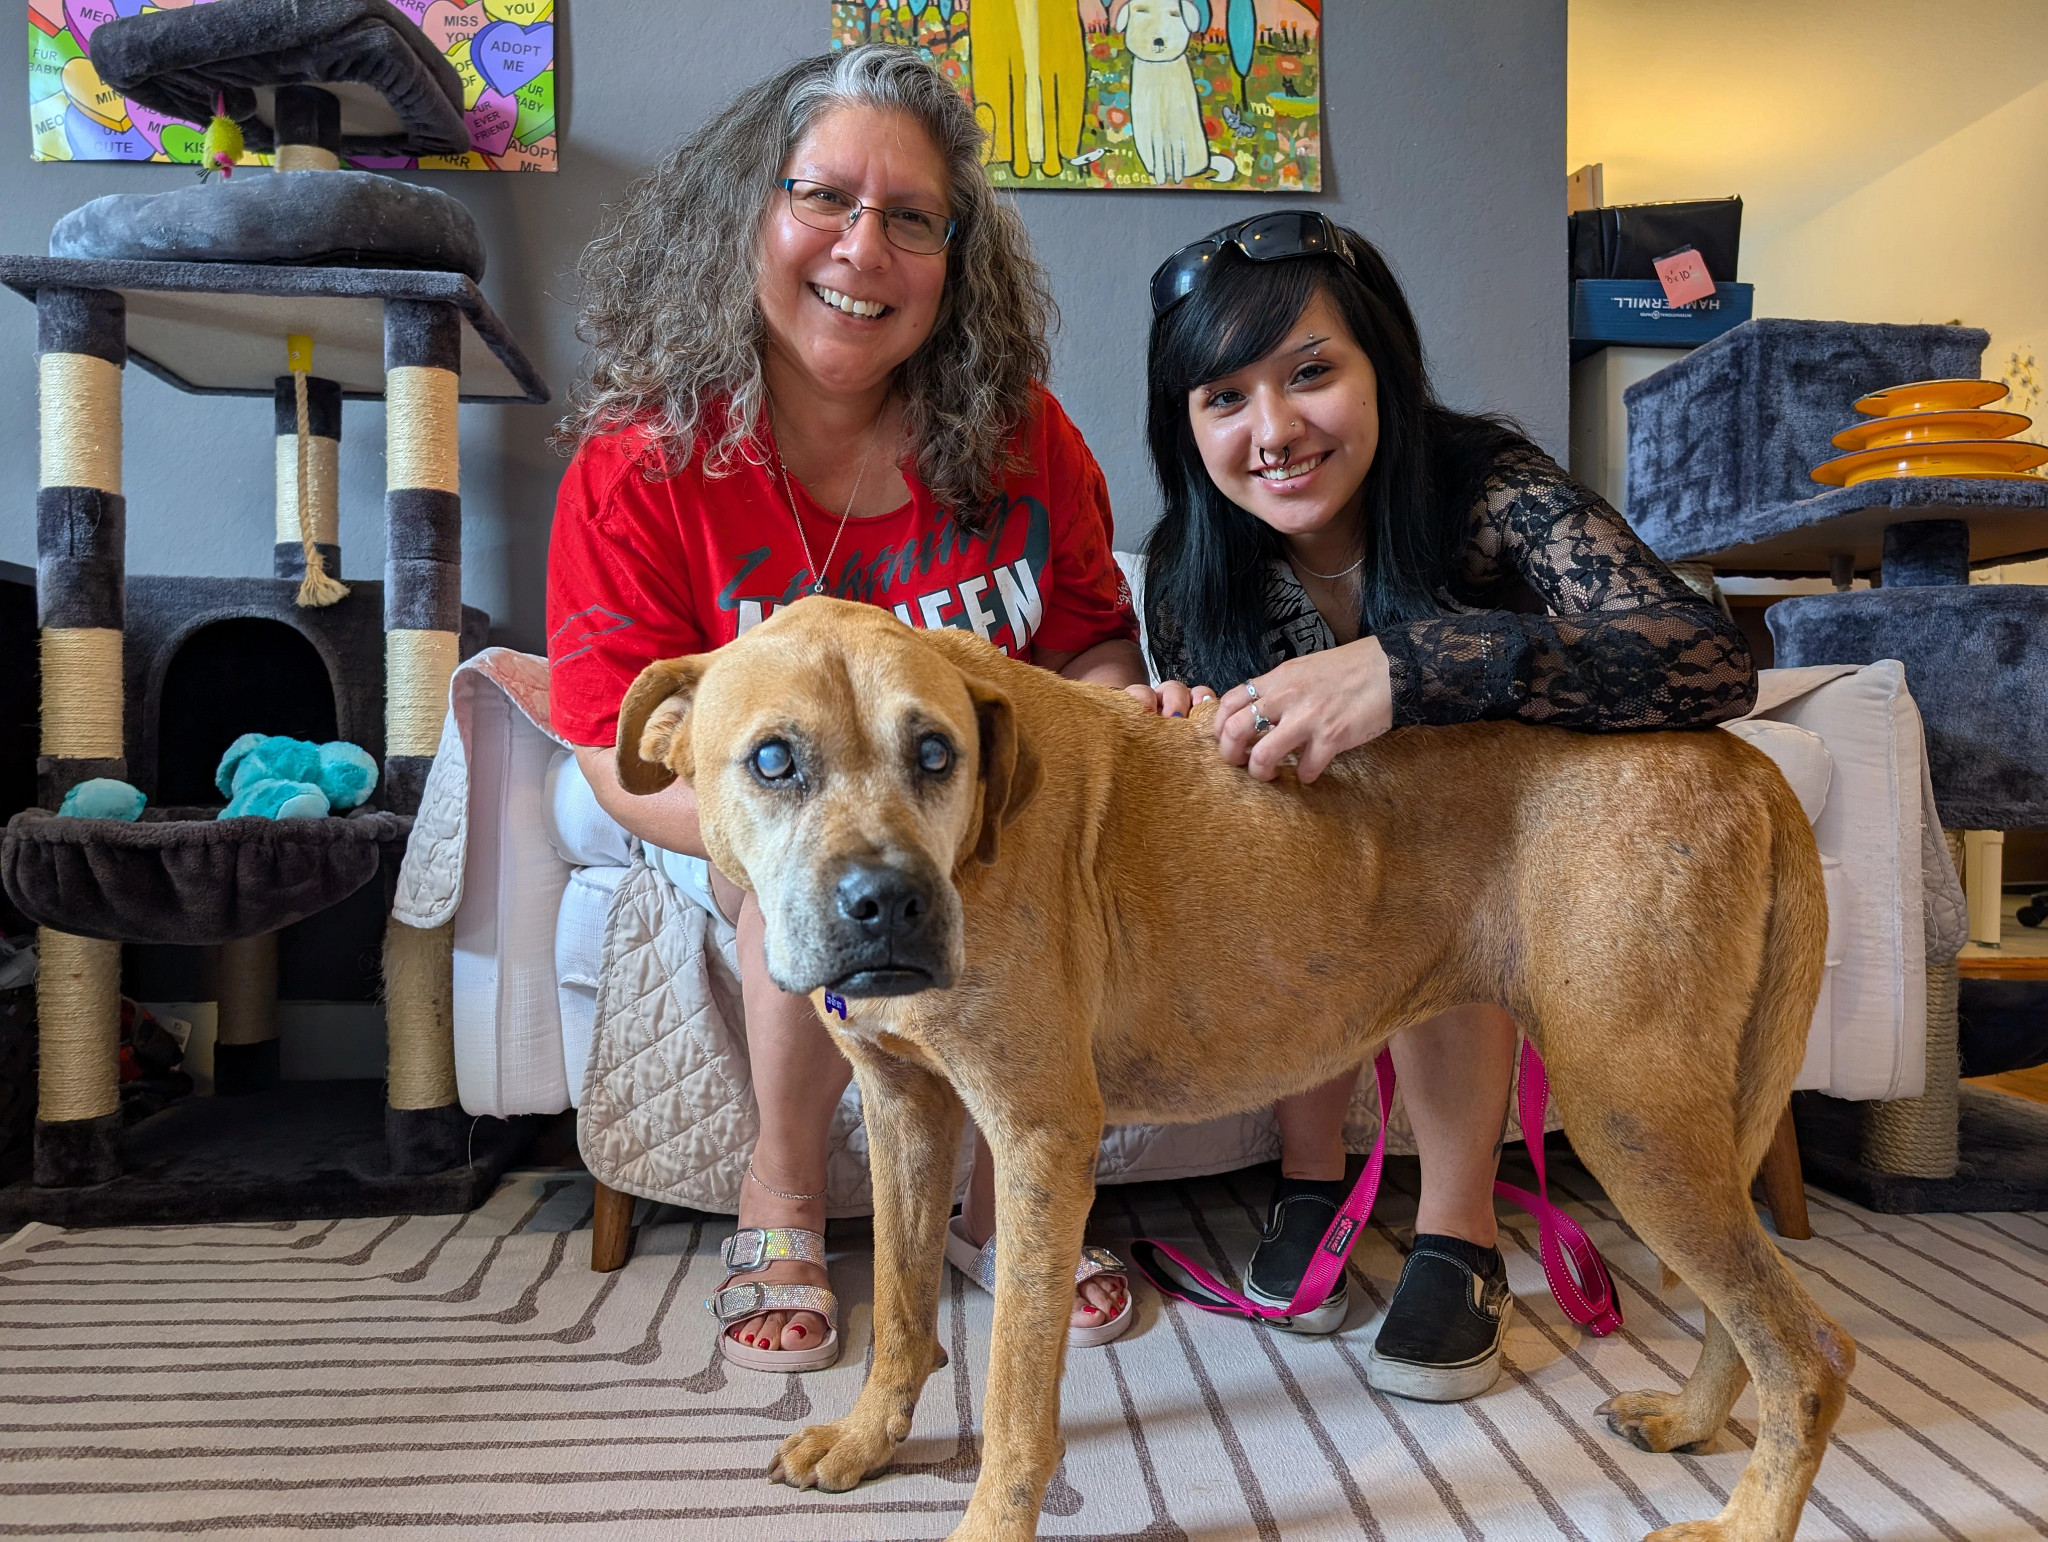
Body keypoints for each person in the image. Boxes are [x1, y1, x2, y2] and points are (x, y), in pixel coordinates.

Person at [546, 45, 1140, 1372]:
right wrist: (782, 830)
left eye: (912, 218)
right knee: (807, 869)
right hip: (732, 787)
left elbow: (1096, 649)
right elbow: (609, 744)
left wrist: (1056, 773)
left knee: (1005, 857)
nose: (864, 249)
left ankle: (1008, 1201)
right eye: (824, 200)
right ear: (744, 217)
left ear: (954, 258)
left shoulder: (1023, 438)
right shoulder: (642, 466)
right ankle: (784, 1190)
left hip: (961, 790)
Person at [1138, 212, 1757, 1400]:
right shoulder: (1184, 563)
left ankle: (1455, 1230)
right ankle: (1308, 1179)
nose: (1271, 432)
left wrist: (1411, 667)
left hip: (1491, 860)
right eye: (1223, 397)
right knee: (1265, 828)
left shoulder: (1489, 486)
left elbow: (1705, 657)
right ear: (1187, 424)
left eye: (1310, 373)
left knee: (1450, 881)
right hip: (1313, 872)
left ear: (1384, 367)